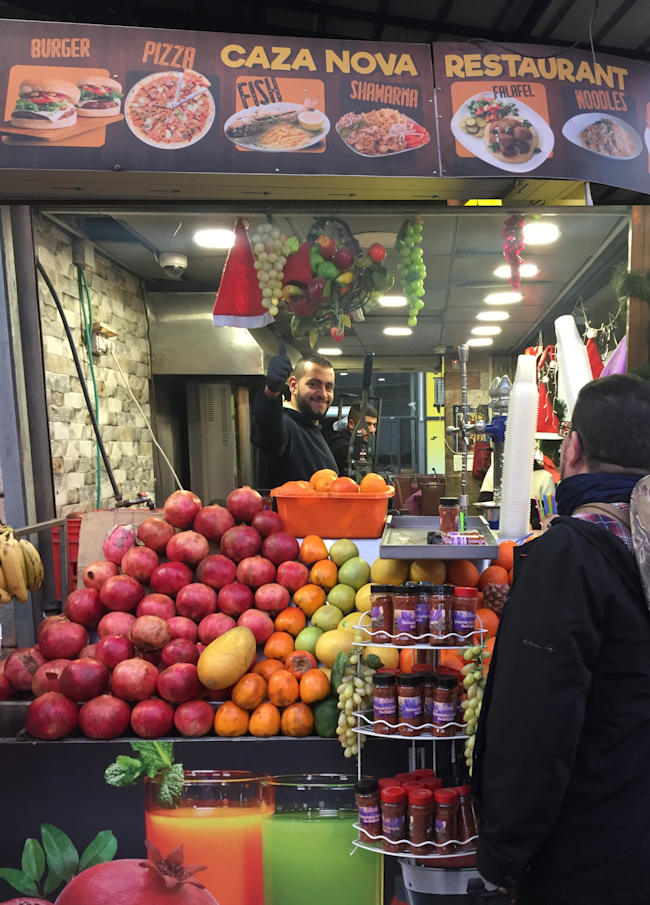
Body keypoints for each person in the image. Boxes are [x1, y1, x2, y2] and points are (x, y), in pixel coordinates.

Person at [473, 374, 650, 905]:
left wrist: (503, 854)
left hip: (591, 856)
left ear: (571, 448)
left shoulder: (570, 557)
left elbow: (534, 724)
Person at [251, 349, 338, 489]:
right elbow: (268, 429)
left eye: (328, 387)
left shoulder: (311, 429)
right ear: (293, 385)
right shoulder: (287, 426)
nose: (323, 394)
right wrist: (271, 392)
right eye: (313, 384)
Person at [328, 401, 378, 476]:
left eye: (374, 425)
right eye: (367, 424)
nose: (372, 430)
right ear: (351, 424)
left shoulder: (358, 445)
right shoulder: (344, 449)